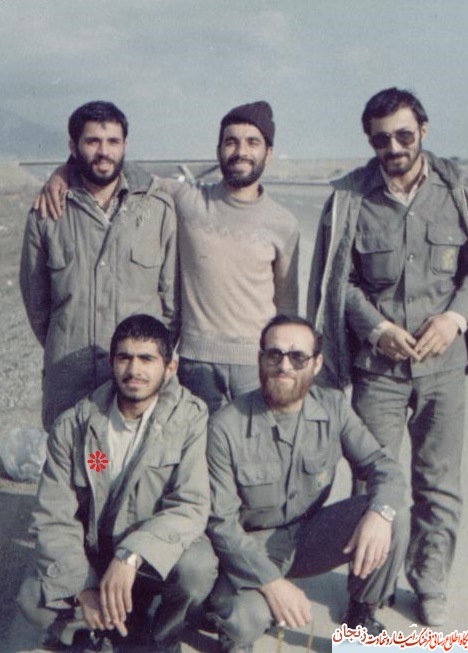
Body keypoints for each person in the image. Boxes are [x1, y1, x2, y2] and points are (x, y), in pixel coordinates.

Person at [307, 87, 468, 626]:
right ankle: (368, 590)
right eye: (381, 140)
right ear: (370, 141)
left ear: (423, 130)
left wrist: (455, 319)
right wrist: (376, 328)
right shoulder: (352, 198)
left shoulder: (457, 190)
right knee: (372, 485)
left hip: (443, 368)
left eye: (404, 135)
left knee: (438, 483)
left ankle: (430, 584)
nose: (394, 148)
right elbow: (340, 282)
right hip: (378, 371)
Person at [36, 100, 299, 414]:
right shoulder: (188, 200)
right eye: (231, 142)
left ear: (268, 153)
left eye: (252, 142)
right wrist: (64, 171)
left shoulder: (284, 224)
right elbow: (116, 167)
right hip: (195, 366)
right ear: (218, 150)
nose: (241, 151)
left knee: (257, 442)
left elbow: (287, 306)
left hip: (255, 366)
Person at [206, 314, 408, 652]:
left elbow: (382, 465)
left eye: (297, 357)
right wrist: (272, 583)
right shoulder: (226, 426)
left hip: (307, 534)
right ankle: (223, 619)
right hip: (251, 544)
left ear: (316, 364)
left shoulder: (333, 408)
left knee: (393, 514)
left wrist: (380, 514)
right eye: (274, 354)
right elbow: (221, 524)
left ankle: (361, 616)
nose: (284, 366)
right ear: (260, 359)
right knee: (244, 620)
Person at [17, 314, 216, 653]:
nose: (134, 369)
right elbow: (54, 516)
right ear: (112, 363)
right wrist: (84, 587)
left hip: (148, 555)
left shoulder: (189, 418)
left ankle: (160, 637)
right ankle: (96, 626)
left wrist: (130, 556)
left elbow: (191, 504)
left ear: (170, 368)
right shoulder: (74, 426)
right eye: (125, 357)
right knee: (32, 600)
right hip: (94, 554)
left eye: (146, 359)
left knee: (198, 569)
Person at [20, 100, 178, 432]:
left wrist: (149, 357)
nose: (104, 152)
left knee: (132, 457)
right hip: (71, 378)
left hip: (137, 381)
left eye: (113, 141)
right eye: (92, 141)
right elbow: (37, 303)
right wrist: (68, 338)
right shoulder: (48, 213)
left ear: (125, 145)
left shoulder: (157, 210)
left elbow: (171, 302)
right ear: (73, 146)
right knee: (84, 458)